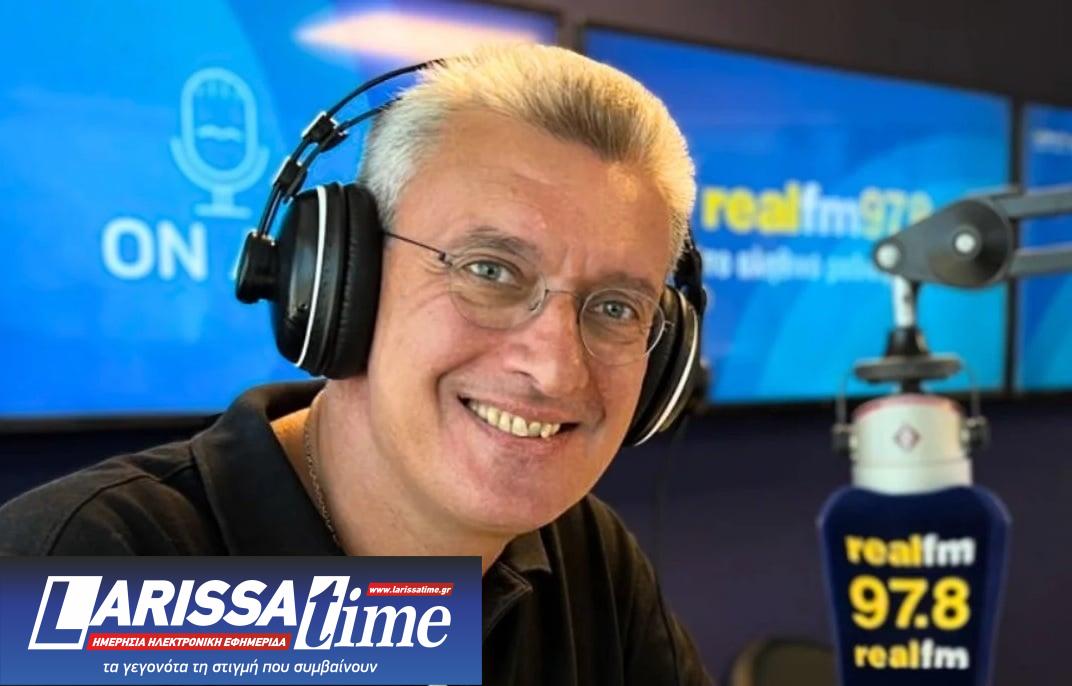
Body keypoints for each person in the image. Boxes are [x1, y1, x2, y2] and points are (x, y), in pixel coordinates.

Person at [0, 44, 712, 684]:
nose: (554, 369)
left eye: (616, 307)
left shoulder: (586, 555)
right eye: (489, 270)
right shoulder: (82, 575)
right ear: (342, 281)